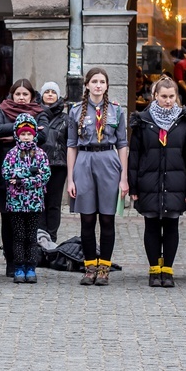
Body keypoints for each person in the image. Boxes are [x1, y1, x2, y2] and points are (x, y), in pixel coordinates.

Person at [128, 77, 186, 288]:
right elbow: (135, 156)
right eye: (163, 96)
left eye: (171, 97)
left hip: (176, 181)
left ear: (177, 97)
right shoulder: (143, 120)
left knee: (172, 225)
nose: (167, 101)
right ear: (155, 96)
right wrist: (134, 186)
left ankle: (168, 269)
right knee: (152, 226)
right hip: (149, 180)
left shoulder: (183, 122)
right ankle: (154, 270)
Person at [66, 67, 129, 286]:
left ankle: (104, 267)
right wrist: (71, 178)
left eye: (102, 81)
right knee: (88, 218)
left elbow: (122, 145)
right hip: (84, 161)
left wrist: (124, 177)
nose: (98, 85)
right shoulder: (75, 111)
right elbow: (71, 145)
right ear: (87, 85)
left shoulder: (116, 111)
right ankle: (89, 266)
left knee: (107, 218)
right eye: (94, 81)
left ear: (107, 86)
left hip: (108, 161)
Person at [0, 78, 43, 276]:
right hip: (8, 174)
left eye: (25, 94)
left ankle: (29, 262)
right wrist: (22, 130)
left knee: (29, 224)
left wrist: (11, 135)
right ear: (12, 95)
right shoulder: (2, 110)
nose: (21, 98)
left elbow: (44, 136)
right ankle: (11, 262)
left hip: (32, 180)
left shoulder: (39, 110)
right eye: (18, 94)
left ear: (31, 95)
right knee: (7, 219)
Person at [2, 114, 51, 283]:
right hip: (15, 203)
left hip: (34, 202)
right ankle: (19, 267)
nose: (26, 137)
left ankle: (31, 267)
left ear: (34, 134)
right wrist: (30, 173)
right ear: (17, 134)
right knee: (18, 236)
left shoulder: (40, 154)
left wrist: (22, 180)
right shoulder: (12, 154)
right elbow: (7, 174)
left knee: (31, 237)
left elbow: (44, 176)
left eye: (29, 134)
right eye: (23, 134)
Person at [35, 81, 69, 243]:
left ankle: (52, 238)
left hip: (58, 165)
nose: (50, 94)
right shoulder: (35, 115)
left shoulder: (65, 119)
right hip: (38, 166)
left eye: (53, 92)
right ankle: (40, 237)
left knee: (54, 204)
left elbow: (69, 143)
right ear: (41, 95)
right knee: (39, 201)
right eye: (46, 91)